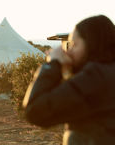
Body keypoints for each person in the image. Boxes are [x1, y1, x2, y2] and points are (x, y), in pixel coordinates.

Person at [22, 15, 115, 145]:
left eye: (74, 45)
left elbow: (35, 111)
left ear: (91, 44)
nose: (69, 52)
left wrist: (53, 64)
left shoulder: (95, 76)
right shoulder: (106, 74)